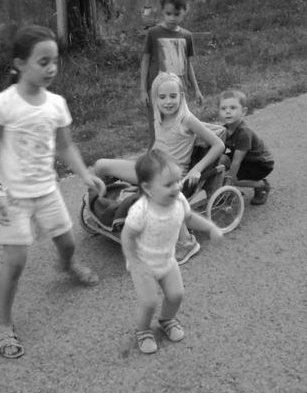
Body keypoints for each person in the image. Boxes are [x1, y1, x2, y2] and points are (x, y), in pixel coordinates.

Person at [0, 24, 106, 360]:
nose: (52, 68)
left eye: (55, 61)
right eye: (43, 61)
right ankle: (4, 325)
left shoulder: (57, 104)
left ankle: (67, 265)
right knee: (16, 261)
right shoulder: (1, 104)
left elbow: (65, 146)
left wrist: (85, 174)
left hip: (48, 191)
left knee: (68, 243)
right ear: (20, 64)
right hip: (12, 197)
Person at [94, 72, 225, 264]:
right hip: (150, 167)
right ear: (155, 98)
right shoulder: (158, 116)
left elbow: (218, 145)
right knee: (100, 165)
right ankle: (103, 202)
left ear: (181, 95)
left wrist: (197, 168)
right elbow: (158, 144)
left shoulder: (186, 119)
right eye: (162, 97)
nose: (168, 101)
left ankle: (186, 242)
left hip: (170, 176)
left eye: (173, 96)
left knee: (158, 197)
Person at [121, 149, 223, 354]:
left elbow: (189, 218)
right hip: (143, 265)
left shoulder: (179, 200)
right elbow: (127, 237)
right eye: (168, 184)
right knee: (149, 302)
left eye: (178, 181)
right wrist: (134, 262)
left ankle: (167, 319)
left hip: (167, 260)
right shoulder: (141, 211)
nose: (177, 187)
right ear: (148, 188)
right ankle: (143, 330)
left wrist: (210, 227)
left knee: (176, 295)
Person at [140, 0, 203, 145]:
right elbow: (145, 61)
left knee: (179, 129)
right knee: (157, 130)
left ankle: (176, 157)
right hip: (158, 92)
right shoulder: (153, 33)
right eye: (168, 14)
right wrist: (143, 90)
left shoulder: (187, 36)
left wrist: (196, 89)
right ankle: (154, 157)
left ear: (184, 12)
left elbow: (188, 65)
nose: (172, 18)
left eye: (176, 14)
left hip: (179, 92)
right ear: (162, 11)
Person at [219, 89, 274, 205]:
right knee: (221, 159)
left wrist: (229, 182)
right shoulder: (224, 129)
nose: (227, 112)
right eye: (223, 108)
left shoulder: (244, 133)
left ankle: (262, 185)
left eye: (233, 108)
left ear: (243, 112)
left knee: (231, 178)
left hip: (260, 163)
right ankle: (225, 188)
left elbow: (236, 162)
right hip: (246, 159)